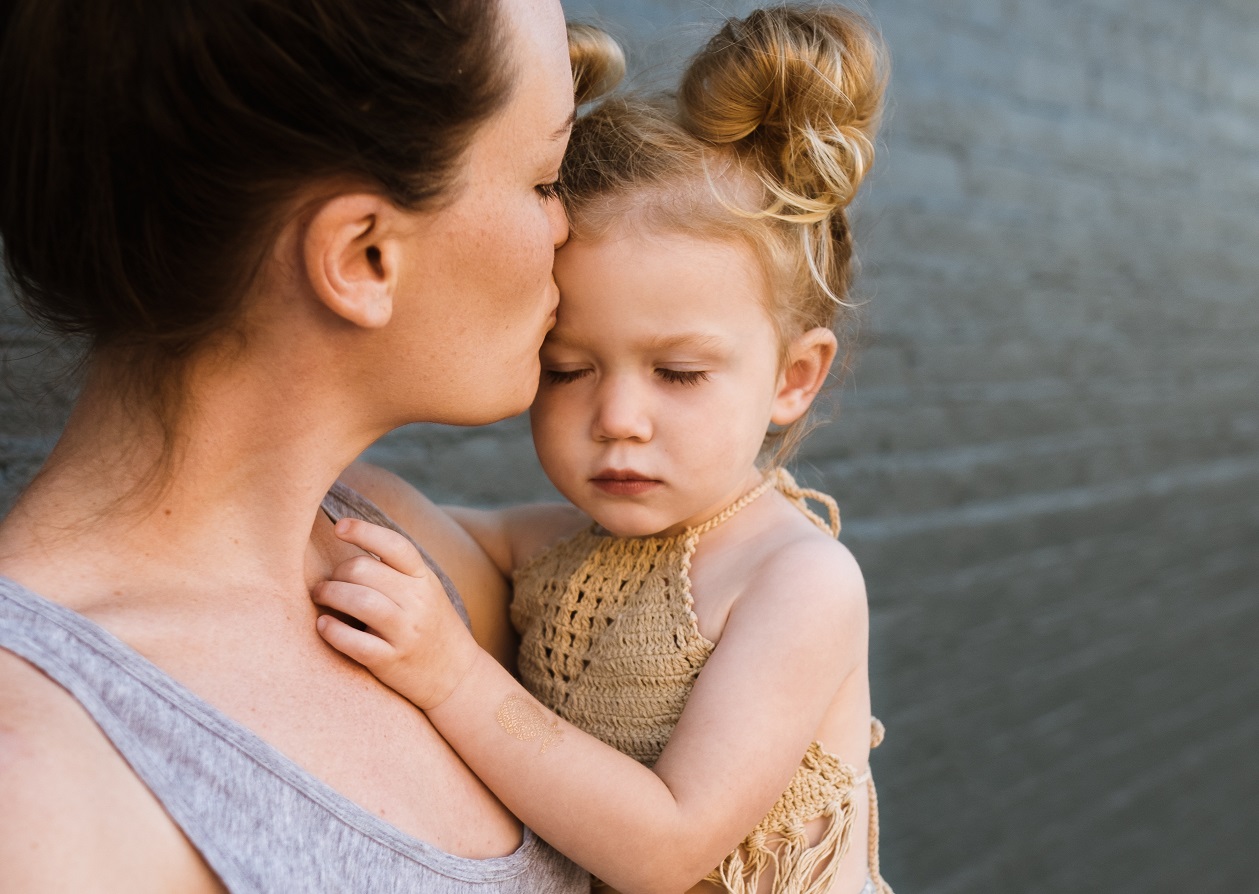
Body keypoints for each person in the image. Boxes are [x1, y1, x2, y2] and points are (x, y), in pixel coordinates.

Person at [0, 0, 618, 889]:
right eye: (545, 181)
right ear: (363, 255)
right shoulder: (45, 785)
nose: (567, 231)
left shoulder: (401, 553)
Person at [313, 6, 894, 893]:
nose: (617, 416)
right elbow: (379, 511)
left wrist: (453, 677)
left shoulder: (794, 581)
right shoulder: (553, 549)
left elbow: (667, 847)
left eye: (679, 373)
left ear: (793, 376)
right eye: (568, 368)